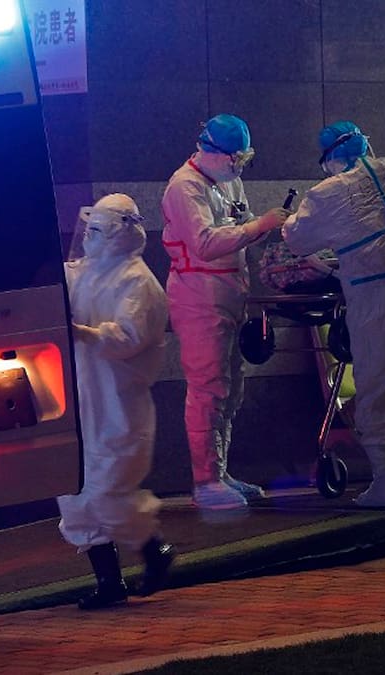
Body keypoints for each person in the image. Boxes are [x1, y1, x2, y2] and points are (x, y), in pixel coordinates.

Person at [282, 121, 385, 508]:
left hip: (378, 297)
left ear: (329, 157)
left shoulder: (327, 192)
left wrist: (282, 221)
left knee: (378, 385)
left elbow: (298, 238)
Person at [161, 114, 289, 510]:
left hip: (230, 292)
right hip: (198, 297)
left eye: (244, 158)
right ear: (210, 150)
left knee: (230, 389)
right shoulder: (184, 186)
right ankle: (206, 481)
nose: (239, 166)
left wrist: (262, 227)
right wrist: (258, 226)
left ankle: (220, 474)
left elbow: (241, 223)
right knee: (208, 388)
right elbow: (204, 243)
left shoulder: (227, 180)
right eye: (235, 158)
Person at [57, 194, 176, 610]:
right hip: (80, 398)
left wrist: (83, 333)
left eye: (96, 231)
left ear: (118, 233)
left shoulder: (138, 282)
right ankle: (109, 582)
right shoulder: (84, 272)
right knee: (74, 493)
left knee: (109, 490)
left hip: (117, 402)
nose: (87, 238)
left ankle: (154, 551)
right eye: (87, 229)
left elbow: (128, 337)